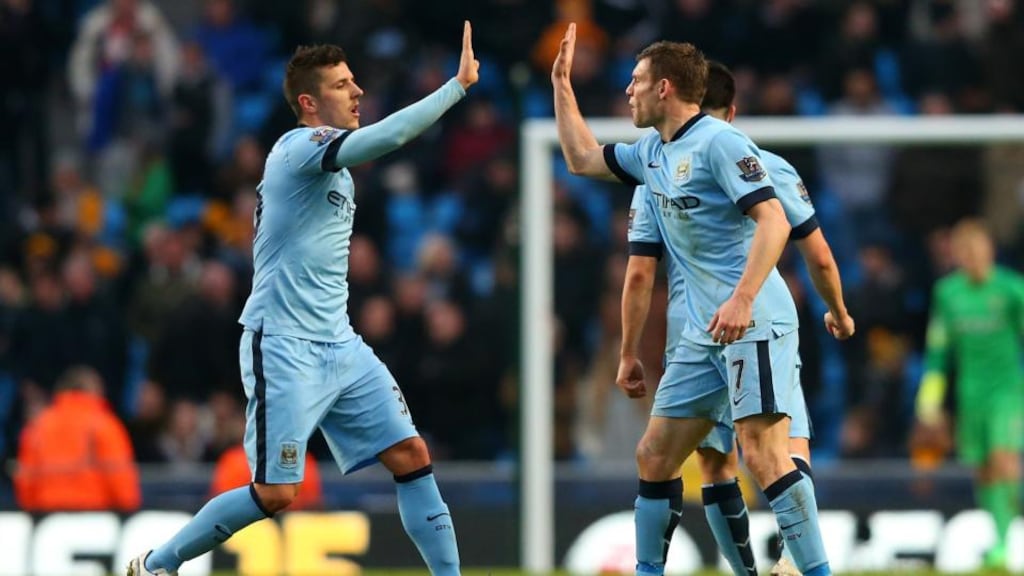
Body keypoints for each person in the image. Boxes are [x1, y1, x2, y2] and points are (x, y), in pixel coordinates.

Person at [127, 22, 479, 576]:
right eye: (343, 85)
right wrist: (455, 86)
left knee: (411, 455)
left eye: (355, 80)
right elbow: (387, 139)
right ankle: (155, 565)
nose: (357, 91)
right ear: (310, 103)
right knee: (276, 492)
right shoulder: (297, 149)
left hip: (339, 343)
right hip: (284, 345)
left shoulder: (335, 170)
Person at [551, 24, 832, 576]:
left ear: (665, 88)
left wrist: (743, 298)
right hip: (703, 334)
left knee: (761, 454)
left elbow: (773, 221)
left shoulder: (722, 144)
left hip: (749, 322)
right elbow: (582, 159)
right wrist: (561, 85)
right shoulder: (651, 153)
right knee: (656, 455)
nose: (626, 90)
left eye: (636, 80)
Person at [623, 61, 855, 576]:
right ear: (732, 111)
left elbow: (640, 275)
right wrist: (837, 311)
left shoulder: (652, 170)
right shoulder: (767, 164)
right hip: (757, 322)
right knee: (781, 447)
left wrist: (628, 350)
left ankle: (752, 570)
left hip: (693, 332)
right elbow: (818, 255)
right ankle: (797, 561)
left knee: (712, 462)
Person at [915, 218, 1024, 569]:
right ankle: (999, 540)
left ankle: (1006, 543)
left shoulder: (1011, 289)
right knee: (985, 469)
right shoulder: (948, 293)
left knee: (1004, 459)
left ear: (990, 251)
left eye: (980, 251)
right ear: (958, 255)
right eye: (967, 252)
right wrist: (930, 398)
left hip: (1007, 390)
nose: (975, 258)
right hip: (970, 393)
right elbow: (938, 349)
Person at [15, 365, 140, 512]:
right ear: (93, 391)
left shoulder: (37, 427)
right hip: (96, 517)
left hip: (48, 518)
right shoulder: (105, 425)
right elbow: (120, 478)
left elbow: (26, 481)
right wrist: (128, 511)